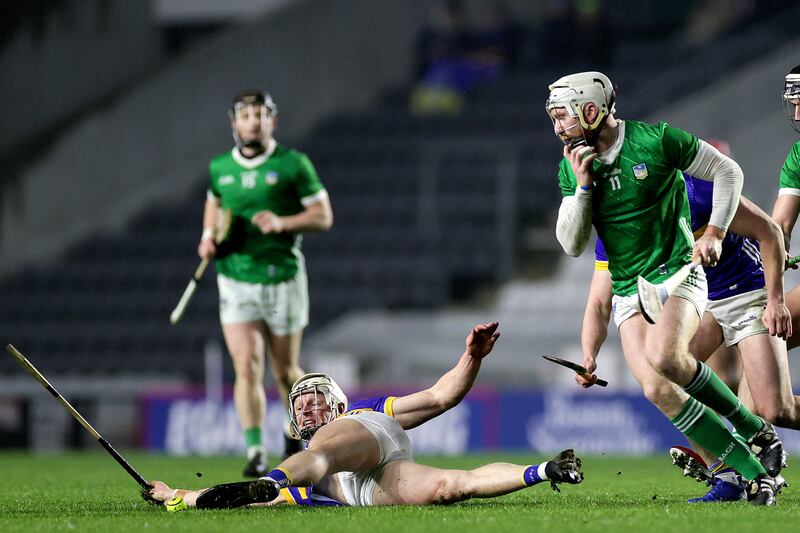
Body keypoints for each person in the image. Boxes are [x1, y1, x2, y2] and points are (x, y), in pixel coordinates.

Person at [547, 71, 784, 505]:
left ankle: (754, 429)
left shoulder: (655, 141)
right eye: (554, 117)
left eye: (564, 116)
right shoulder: (572, 165)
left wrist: (714, 231)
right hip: (628, 292)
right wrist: (581, 188)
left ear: (592, 110)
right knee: (656, 387)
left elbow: (727, 170)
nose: (558, 126)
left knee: (665, 357)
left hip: (679, 274)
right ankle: (744, 474)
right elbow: (572, 244)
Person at [145, 322, 585, 510]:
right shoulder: (307, 485)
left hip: (368, 440)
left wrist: (471, 358)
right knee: (449, 488)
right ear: (294, 422)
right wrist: (176, 496)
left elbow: (440, 397)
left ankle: (273, 476)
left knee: (320, 456)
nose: (310, 407)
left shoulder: (366, 412)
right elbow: (243, 501)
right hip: (367, 486)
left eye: (318, 399)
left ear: (337, 403)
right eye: (302, 406)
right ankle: (549, 468)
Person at [585, 174, 793, 502]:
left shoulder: (698, 193)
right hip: (702, 294)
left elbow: (769, 231)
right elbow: (599, 300)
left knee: (774, 408)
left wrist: (776, 300)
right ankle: (726, 473)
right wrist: (589, 353)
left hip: (743, 289)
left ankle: (751, 437)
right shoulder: (620, 225)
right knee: (666, 373)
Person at [199, 90, 333, 477]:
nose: (253, 122)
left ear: (272, 121)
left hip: (282, 280)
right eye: (246, 115)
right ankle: (256, 451)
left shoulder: (293, 164)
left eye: (260, 115)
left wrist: (282, 222)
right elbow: (215, 203)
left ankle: (294, 438)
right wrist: (208, 235)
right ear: (234, 123)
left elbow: (323, 216)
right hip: (236, 280)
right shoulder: (219, 167)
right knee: (246, 364)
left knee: (285, 371)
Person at [772, 64, 800, 345]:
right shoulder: (799, 156)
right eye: (794, 105)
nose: (797, 115)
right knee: (764, 339)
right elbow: (780, 226)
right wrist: (774, 252)